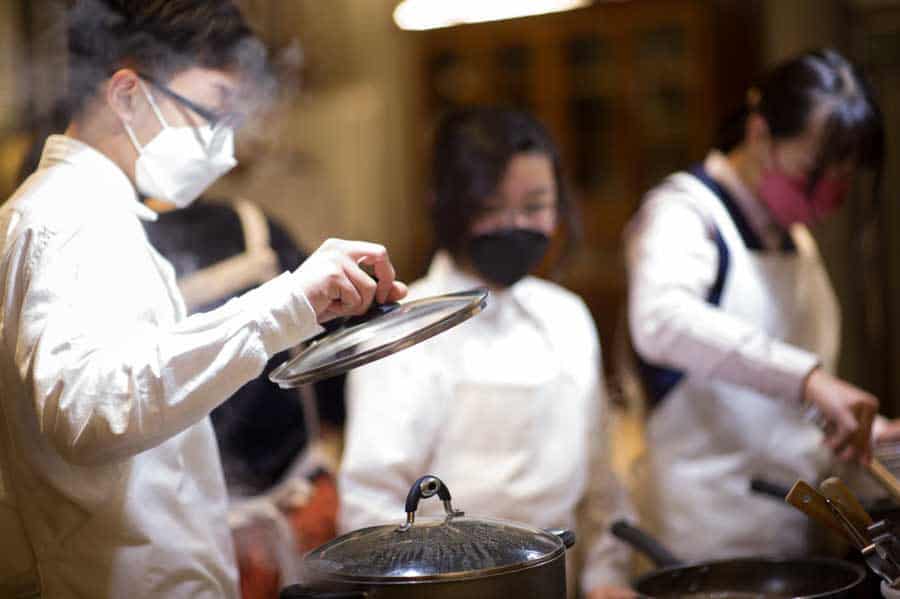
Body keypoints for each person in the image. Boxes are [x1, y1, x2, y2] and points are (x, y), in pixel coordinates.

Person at [0, 1, 406, 598]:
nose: (225, 148)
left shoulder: (99, 216)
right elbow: (92, 408)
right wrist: (282, 304)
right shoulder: (67, 218)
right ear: (128, 95)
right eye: (212, 111)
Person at [338, 107, 636, 599]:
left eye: (535, 206)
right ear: (448, 207)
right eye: (492, 208)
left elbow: (601, 483)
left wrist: (607, 574)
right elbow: (370, 507)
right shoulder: (402, 333)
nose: (515, 225)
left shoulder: (567, 317)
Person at [624, 48, 886, 563]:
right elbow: (662, 321)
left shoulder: (796, 240)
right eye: (814, 172)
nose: (830, 195)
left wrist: (853, 428)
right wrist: (808, 379)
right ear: (760, 133)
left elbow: (777, 404)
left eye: (843, 179)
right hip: (703, 538)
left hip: (794, 529)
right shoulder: (684, 213)